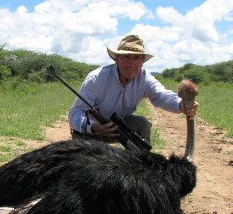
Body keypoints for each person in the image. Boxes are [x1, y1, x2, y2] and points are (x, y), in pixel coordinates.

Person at [68, 34, 199, 144]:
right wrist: (95, 127)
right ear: (116, 59)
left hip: (119, 129)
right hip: (91, 133)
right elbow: (75, 114)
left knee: (142, 124)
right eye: (126, 57)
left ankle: (142, 169)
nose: (131, 63)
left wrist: (182, 105)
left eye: (136, 58)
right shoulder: (96, 79)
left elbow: (162, 96)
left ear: (142, 62)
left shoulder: (144, 78)